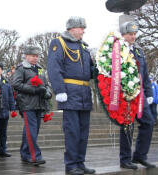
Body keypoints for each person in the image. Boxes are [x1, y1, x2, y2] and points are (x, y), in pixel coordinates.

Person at [47, 17, 95, 175]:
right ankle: (71, 164)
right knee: (72, 131)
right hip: (69, 93)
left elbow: (91, 71)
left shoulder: (84, 47)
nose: (83, 31)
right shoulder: (59, 43)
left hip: (84, 94)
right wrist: (60, 90)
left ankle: (80, 163)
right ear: (72, 29)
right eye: (81, 28)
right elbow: (54, 68)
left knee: (83, 132)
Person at [118, 16, 156, 170]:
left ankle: (140, 155)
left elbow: (145, 75)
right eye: (130, 34)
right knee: (127, 126)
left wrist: (149, 93)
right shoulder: (117, 50)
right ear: (123, 35)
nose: (133, 36)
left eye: (134, 34)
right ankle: (125, 159)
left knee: (149, 122)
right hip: (125, 95)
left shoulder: (139, 51)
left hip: (140, 95)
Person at [12, 45, 52, 166]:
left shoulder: (40, 68)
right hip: (27, 104)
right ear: (26, 56)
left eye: (37, 56)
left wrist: (47, 92)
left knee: (32, 130)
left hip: (39, 104)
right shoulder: (21, 68)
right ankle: (35, 156)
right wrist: (34, 90)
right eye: (33, 56)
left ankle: (25, 154)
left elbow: (46, 84)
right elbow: (16, 84)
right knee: (31, 131)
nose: (36, 58)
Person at [0, 62, 15, 158]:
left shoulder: (6, 82)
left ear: (2, 71)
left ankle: (3, 150)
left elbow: (10, 96)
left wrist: (12, 108)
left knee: (3, 132)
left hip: (4, 111)